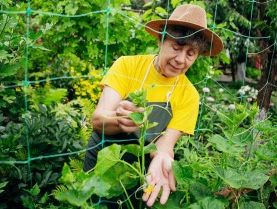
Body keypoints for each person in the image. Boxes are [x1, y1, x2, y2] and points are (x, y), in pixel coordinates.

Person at [83, 4, 223, 208]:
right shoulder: (127, 66)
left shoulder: (189, 95)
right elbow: (98, 120)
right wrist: (120, 120)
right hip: (104, 163)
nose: (180, 60)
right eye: (176, 47)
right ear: (161, 40)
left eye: (190, 53)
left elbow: (165, 145)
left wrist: (163, 159)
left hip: (143, 172)